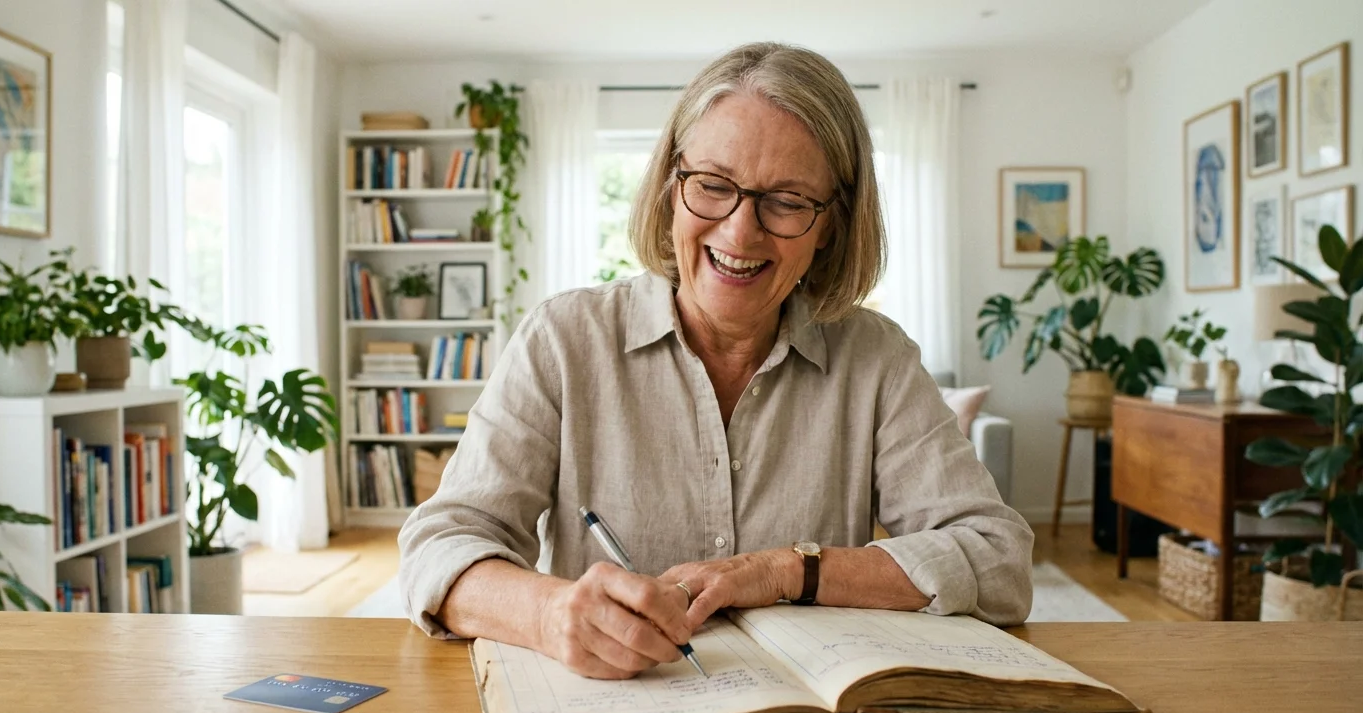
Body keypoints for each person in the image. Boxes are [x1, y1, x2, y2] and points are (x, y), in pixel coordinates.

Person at [398, 42, 1032, 680]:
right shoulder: (563, 339)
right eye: (713, 185)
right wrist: (549, 612)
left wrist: (784, 571)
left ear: (830, 225)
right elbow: (439, 546)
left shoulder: (878, 359)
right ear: (672, 187)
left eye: (786, 201)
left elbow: (998, 559)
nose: (739, 233)